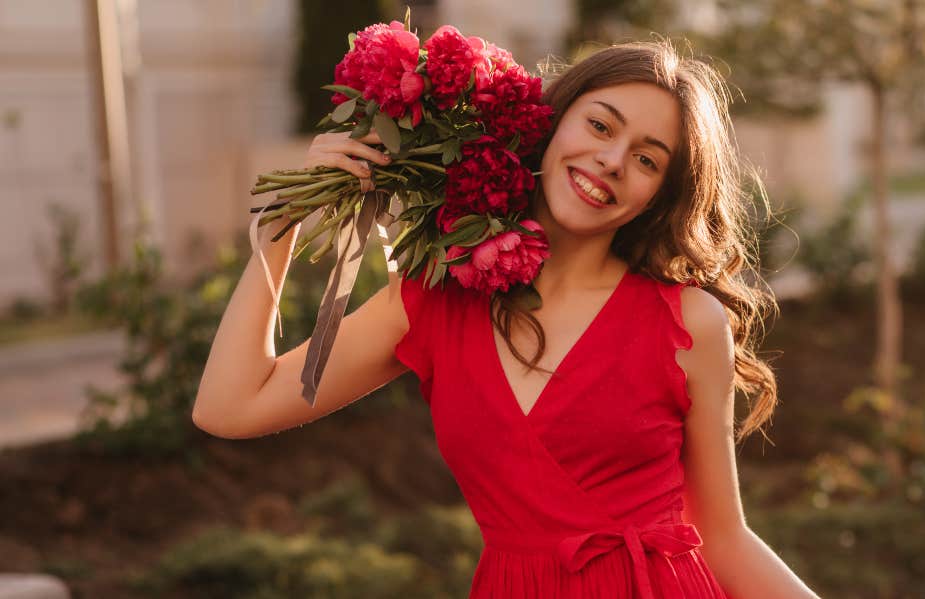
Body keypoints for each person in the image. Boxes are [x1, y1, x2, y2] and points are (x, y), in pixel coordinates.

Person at [194, 39, 820, 599]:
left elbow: (724, 540)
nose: (612, 160)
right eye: (601, 126)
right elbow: (229, 407)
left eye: (648, 160)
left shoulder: (687, 323)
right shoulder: (433, 300)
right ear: (552, 122)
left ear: (658, 196)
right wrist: (282, 226)